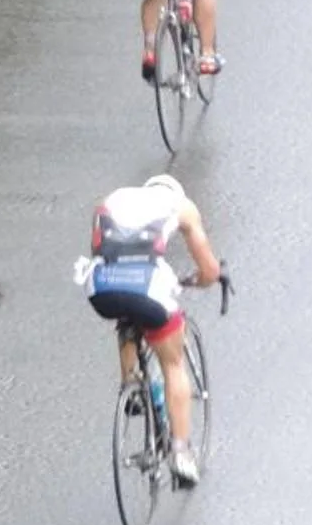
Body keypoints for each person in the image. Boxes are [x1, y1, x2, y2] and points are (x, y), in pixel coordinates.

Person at [80, 173, 224, 486]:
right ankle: (181, 454)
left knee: (126, 313)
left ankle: (131, 385)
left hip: (99, 286)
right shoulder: (183, 207)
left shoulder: (111, 198)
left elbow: (103, 248)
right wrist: (197, 281)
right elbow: (210, 271)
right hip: (147, 287)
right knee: (173, 364)